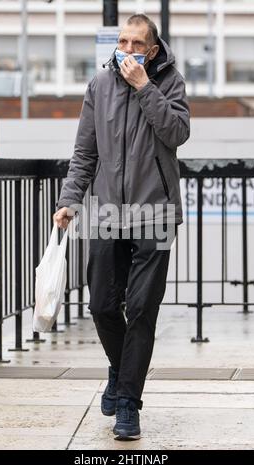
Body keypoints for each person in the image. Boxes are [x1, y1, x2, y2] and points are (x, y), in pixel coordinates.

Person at [53, 14, 190, 441]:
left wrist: (144, 87)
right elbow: (85, 151)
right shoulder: (98, 85)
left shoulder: (169, 82)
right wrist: (69, 200)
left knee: (143, 310)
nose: (127, 49)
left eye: (136, 44)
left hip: (156, 214)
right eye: (122, 41)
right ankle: (119, 367)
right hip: (107, 212)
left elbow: (177, 132)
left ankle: (129, 403)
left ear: (151, 50)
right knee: (102, 307)